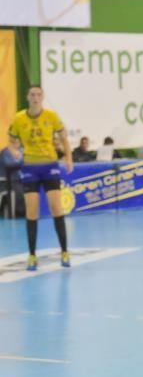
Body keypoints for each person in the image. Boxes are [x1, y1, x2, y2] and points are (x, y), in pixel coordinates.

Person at [8, 84, 73, 270]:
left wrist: (68, 158)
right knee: (32, 211)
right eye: (32, 94)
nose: (35, 97)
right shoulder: (19, 118)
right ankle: (32, 255)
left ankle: (65, 252)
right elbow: (11, 141)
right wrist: (14, 151)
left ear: (42, 98)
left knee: (56, 208)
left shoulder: (51, 116)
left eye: (38, 94)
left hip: (49, 166)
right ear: (27, 97)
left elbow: (64, 138)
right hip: (30, 168)